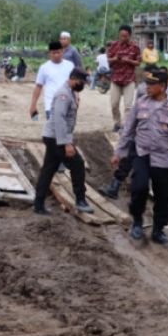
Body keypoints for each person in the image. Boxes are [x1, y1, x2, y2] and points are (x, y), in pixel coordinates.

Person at [112, 66, 168, 245]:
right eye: (146, 83)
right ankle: (137, 221)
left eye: (152, 84)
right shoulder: (140, 103)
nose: (147, 86)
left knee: (164, 196)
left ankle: (158, 229)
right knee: (138, 188)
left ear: (163, 86)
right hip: (142, 154)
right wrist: (119, 152)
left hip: (163, 158)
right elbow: (127, 130)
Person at [34, 68, 93, 215]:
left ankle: (38, 204)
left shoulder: (71, 91)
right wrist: (66, 143)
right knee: (77, 164)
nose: (83, 86)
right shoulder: (63, 94)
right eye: (81, 83)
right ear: (73, 79)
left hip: (53, 137)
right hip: (56, 138)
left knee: (48, 169)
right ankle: (80, 200)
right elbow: (60, 120)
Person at [106, 25, 142, 131]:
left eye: (125, 36)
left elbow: (138, 62)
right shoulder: (113, 46)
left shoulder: (135, 47)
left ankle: (126, 126)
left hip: (129, 80)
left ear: (129, 36)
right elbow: (108, 60)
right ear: (119, 34)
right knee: (114, 104)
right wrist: (115, 59)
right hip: (116, 79)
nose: (123, 38)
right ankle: (117, 122)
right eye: (121, 36)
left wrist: (129, 61)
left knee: (128, 106)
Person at [29, 40, 75, 120]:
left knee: (66, 130)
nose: (56, 55)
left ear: (63, 51)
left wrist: (77, 98)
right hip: (51, 105)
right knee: (54, 130)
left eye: (58, 52)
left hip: (67, 104)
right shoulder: (44, 68)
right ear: (49, 53)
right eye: (53, 53)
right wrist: (33, 105)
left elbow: (74, 84)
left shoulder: (70, 66)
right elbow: (38, 87)